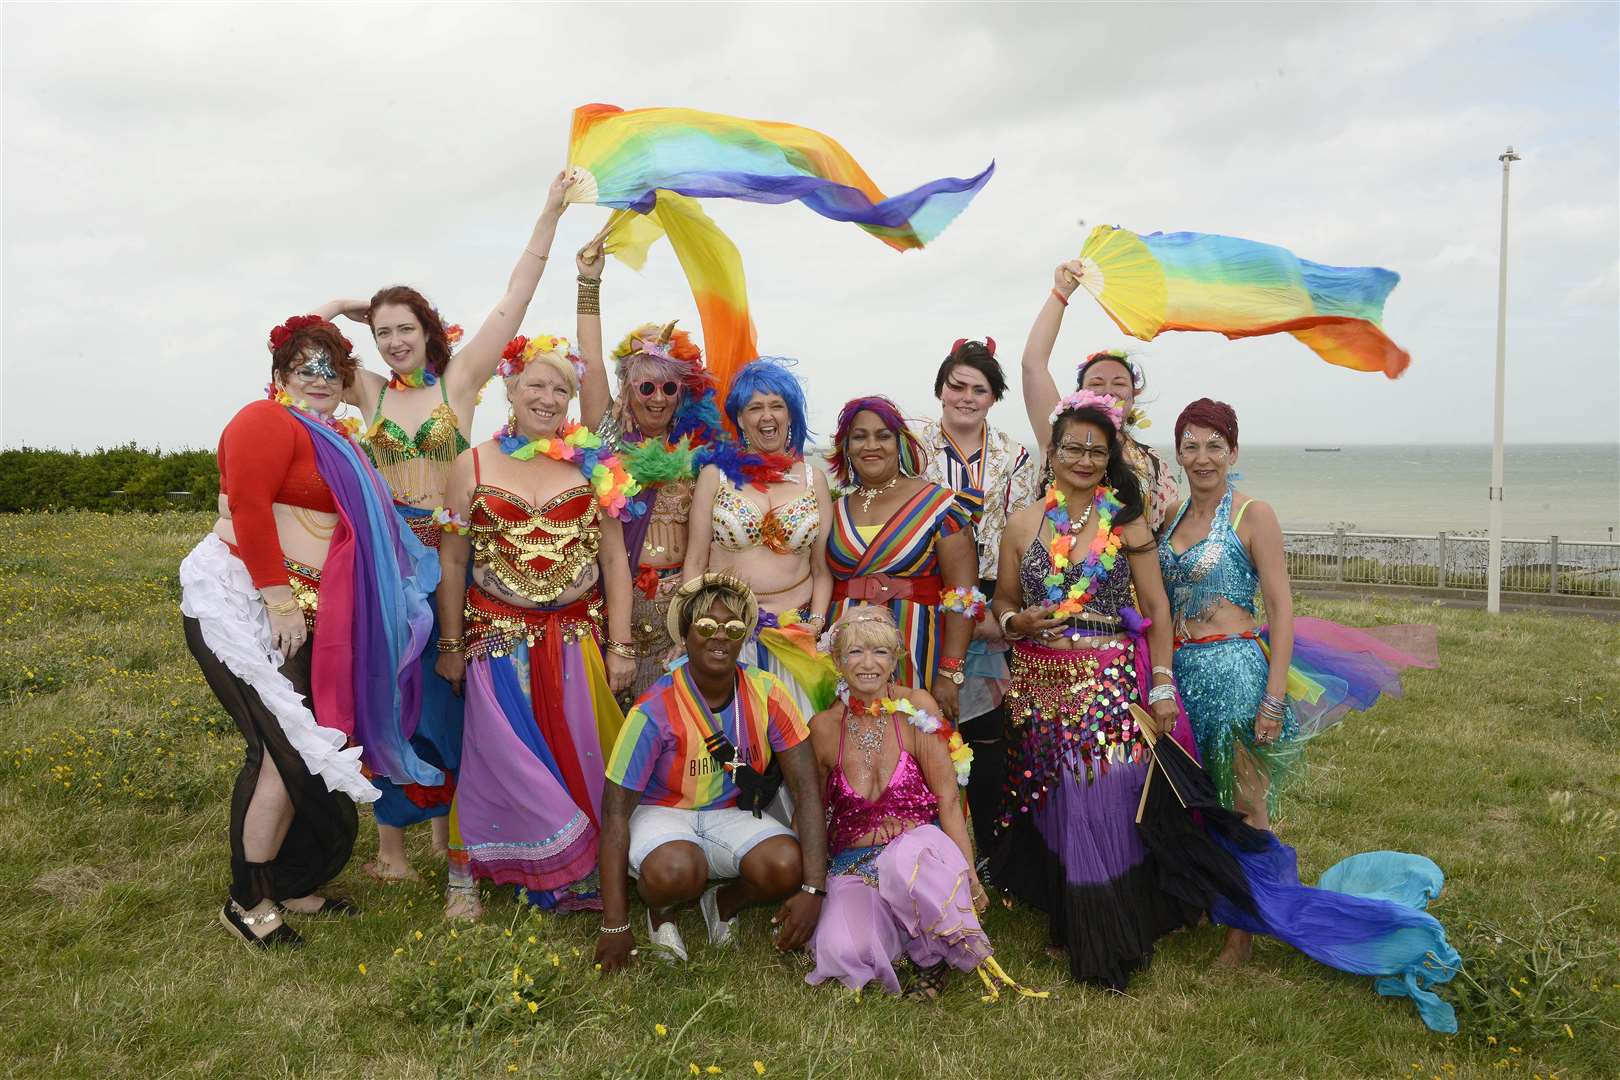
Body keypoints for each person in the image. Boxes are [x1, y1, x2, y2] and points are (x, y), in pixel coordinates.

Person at [311, 169, 580, 881]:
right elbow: (295, 369)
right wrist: (335, 308)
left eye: (404, 328)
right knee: (387, 696)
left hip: (451, 560)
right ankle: (391, 846)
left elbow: (514, 299)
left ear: (427, 330)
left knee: (446, 693)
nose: (394, 342)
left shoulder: (456, 384)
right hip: (384, 565)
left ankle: (452, 830)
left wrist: (549, 213)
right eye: (381, 331)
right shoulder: (363, 389)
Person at [179, 315, 438, 947]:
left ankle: (290, 881)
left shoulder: (337, 438)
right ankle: (248, 901)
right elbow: (247, 504)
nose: (321, 379)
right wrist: (277, 598)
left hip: (304, 613)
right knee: (278, 753)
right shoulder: (263, 420)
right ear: (279, 377)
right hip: (248, 606)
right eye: (306, 368)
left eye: (333, 368)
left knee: (303, 752)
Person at [1159, 397, 1440, 965]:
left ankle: (1244, 929)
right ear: (1179, 452)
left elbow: (1281, 609)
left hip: (1237, 669)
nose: (1203, 456)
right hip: (1184, 672)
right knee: (1195, 796)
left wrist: (1274, 696)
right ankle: (1205, 901)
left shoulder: (1253, 515)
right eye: (1191, 444)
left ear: (1234, 451)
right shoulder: (1169, 517)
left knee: (1244, 800)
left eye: (1215, 445)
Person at [988, 388, 1199, 989]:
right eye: (1073, 447)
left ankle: (1108, 932)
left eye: (1097, 451)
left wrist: (1161, 688)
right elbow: (1004, 598)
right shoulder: (1024, 524)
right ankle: (1071, 916)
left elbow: (1155, 607)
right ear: (1051, 452)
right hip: (1035, 680)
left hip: (1107, 675)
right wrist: (1014, 622)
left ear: (1110, 460)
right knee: (1055, 802)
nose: (1084, 458)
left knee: (1099, 790)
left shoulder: (1125, 522)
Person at [432, 334, 639, 920]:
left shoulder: (595, 466)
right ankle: (466, 870)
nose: (548, 398)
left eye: (561, 389)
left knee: (575, 748)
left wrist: (621, 645)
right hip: (496, 637)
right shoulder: (470, 464)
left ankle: (571, 868)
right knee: (494, 752)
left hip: (576, 639)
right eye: (536, 385)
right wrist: (450, 644)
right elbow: (451, 560)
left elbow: (615, 560)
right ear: (510, 388)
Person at [594, 573, 828, 969]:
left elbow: (806, 792)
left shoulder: (768, 692)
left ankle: (723, 902)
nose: (720, 636)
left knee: (786, 864)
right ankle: (661, 913)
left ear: (744, 637)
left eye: (733, 628)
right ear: (685, 636)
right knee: (677, 870)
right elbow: (615, 812)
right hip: (661, 814)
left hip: (728, 815)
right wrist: (614, 924)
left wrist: (814, 890)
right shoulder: (652, 708)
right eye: (706, 626)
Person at [805, 607, 1042, 1000]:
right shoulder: (824, 728)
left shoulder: (918, 708)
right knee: (846, 954)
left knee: (904, 860)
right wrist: (809, 889)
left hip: (919, 856)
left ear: (895, 659)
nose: (868, 664)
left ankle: (931, 957)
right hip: (855, 863)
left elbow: (948, 799)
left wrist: (967, 875)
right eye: (856, 652)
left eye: (880, 653)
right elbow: (811, 813)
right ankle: (905, 927)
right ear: (837, 660)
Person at [915, 338, 1040, 857]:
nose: (966, 398)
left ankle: (986, 850)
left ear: (994, 398)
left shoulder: (1015, 455)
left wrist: (1002, 609)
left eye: (979, 390)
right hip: (923, 595)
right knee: (923, 720)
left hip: (990, 595)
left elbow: (1021, 532)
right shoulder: (912, 444)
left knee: (987, 732)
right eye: (957, 386)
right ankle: (924, 842)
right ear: (941, 388)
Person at [577, 299, 729, 703]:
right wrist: (589, 285)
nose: (657, 398)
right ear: (628, 390)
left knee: (682, 723)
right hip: (625, 604)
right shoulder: (610, 441)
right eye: (646, 387)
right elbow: (588, 361)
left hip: (685, 605)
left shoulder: (697, 452)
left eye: (668, 387)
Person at [684, 357, 838, 719]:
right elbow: (694, 561)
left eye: (776, 406)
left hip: (795, 634)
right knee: (733, 738)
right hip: (728, 631)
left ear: (790, 415)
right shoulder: (715, 475)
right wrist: (696, 629)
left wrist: (814, 625)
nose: (766, 416)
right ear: (740, 419)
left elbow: (821, 569)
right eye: (755, 407)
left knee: (799, 741)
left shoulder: (813, 480)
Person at [825, 396, 977, 723]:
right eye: (859, 436)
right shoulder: (833, 509)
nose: (871, 445)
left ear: (900, 444)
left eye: (883, 436)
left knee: (913, 751)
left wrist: (950, 672)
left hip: (916, 649)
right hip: (843, 659)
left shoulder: (938, 504)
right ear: (846, 448)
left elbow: (963, 597)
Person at [1021, 261, 1178, 530]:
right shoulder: (1058, 437)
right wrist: (1061, 293)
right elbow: (1033, 365)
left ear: (1133, 394)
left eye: (1118, 383)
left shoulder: (1153, 463)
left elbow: (1167, 532)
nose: (1107, 390)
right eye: (1096, 383)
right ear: (1079, 394)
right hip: (1055, 566)